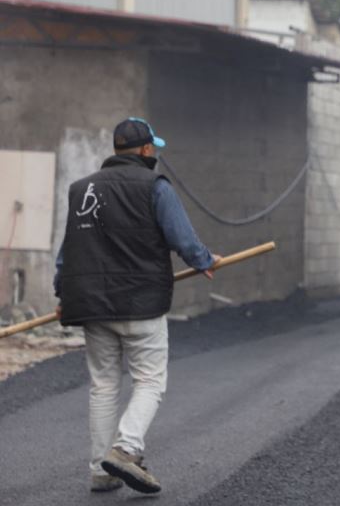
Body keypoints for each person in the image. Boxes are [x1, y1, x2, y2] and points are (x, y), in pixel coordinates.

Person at [55, 118, 220, 494]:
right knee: (149, 380)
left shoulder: (81, 190)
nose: (155, 153)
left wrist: (62, 294)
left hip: (93, 306)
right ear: (146, 150)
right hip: (141, 304)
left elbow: (68, 252)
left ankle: (101, 471)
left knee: (103, 385)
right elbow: (182, 238)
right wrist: (204, 260)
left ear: (116, 150)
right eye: (153, 148)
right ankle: (126, 449)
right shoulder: (155, 186)